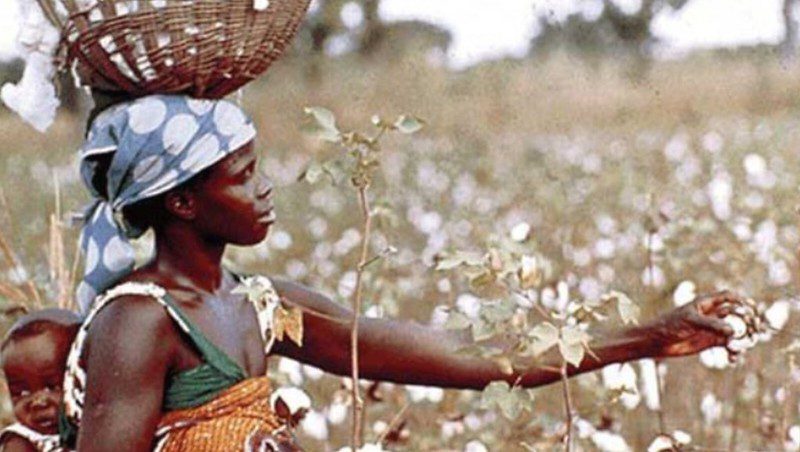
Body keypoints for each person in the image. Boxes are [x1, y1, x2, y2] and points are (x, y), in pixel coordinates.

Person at [64, 94, 741, 451]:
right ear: (182, 201)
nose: (266, 189)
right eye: (243, 177)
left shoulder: (261, 305)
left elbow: (467, 358)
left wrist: (650, 339)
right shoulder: (139, 321)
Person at [0, 309, 81, 452]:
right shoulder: (22, 441)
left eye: (52, 387)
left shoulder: (95, 427)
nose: (37, 402)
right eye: (21, 393)